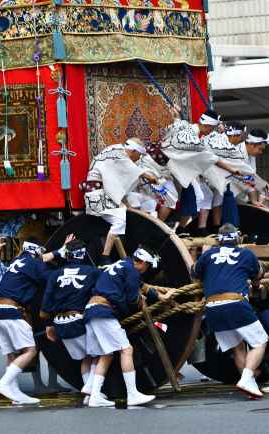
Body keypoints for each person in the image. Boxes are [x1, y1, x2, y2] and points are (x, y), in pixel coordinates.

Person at [192, 223, 268, 398]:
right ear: (238, 238)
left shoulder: (209, 254)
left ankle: (250, 387)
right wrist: (256, 283)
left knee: (238, 348)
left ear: (219, 240)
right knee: (260, 342)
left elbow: (194, 272)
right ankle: (247, 378)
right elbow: (258, 274)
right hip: (235, 304)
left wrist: (202, 256)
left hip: (212, 308)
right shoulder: (246, 254)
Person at [84, 245, 159, 407]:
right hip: (103, 311)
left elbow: (140, 286)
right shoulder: (131, 270)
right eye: (147, 265)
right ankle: (132, 394)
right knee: (126, 349)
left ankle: (94, 396)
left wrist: (159, 294)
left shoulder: (121, 264)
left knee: (106, 354)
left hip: (91, 310)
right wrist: (141, 301)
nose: (146, 270)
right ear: (143, 262)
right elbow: (132, 299)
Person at [161, 107, 242, 236]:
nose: (211, 131)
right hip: (172, 170)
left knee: (198, 197)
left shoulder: (184, 125)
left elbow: (177, 120)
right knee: (191, 198)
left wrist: (176, 113)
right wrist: (232, 168)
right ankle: (169, 226)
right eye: (211, 128)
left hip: (176, 168)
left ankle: (180, 227)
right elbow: (212, 158)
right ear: (207, 126)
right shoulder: (194, 142)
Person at [0, 237, 53, 405]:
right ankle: (4, 383)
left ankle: (14, 393)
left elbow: (43, 259)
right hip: (12, 310)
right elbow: (51, 280)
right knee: (30, 351)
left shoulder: (18, 261)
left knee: (12, 353)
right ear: (37, 250)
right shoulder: (34, 263)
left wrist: (59, 251)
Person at [40, 239, 101, 404]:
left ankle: (89, 395)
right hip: (79, 321)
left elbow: (46, 304)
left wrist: (48, 326)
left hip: (60, 323)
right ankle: (92, 391)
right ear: (83, 254)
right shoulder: (92, 272)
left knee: (85, 358)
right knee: (99, 355)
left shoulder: (54, 274)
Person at [82, 138, 157, 263]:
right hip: (97, 195)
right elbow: (130, 168)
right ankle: (104, 257)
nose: (138, 159)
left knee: (129, 205)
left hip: (102, 193)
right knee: (119, 219)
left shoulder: (114, 150)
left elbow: (115, 180)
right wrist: (148, 176)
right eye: (139, 155)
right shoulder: (119, 154)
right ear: (133, 151)